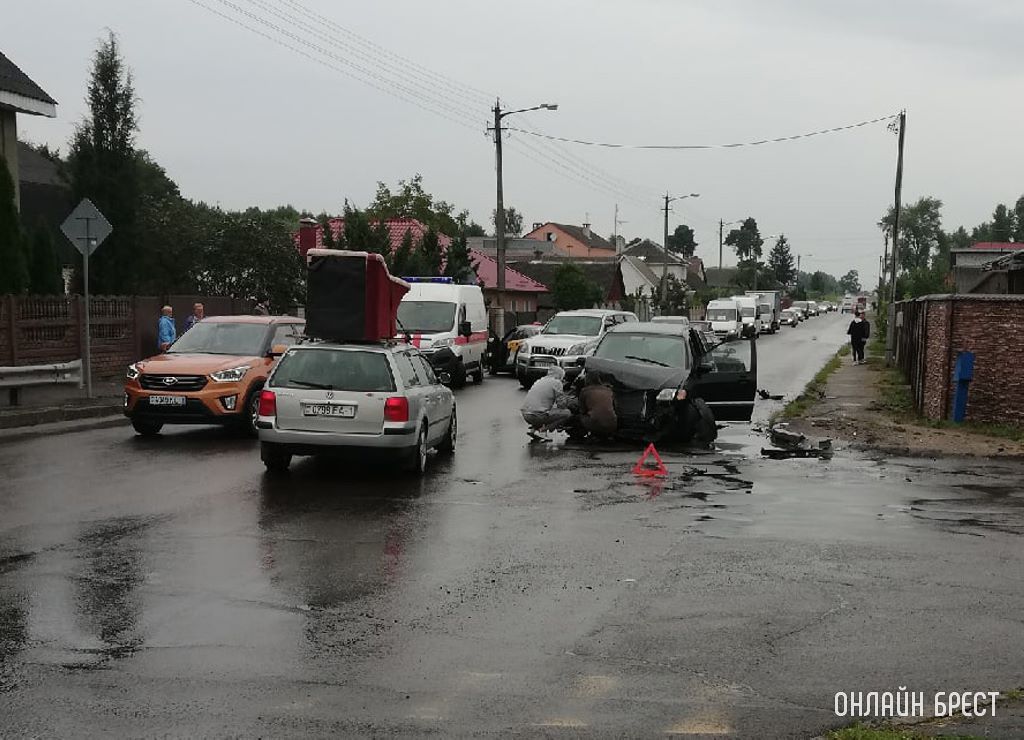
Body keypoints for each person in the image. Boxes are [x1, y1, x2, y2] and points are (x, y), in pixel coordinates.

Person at [520, 365, 573, 439]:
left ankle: (533, 430)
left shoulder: (540, 380)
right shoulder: (557, 382)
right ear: (560, 375)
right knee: (567, 413)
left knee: (543, 408)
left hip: (525, 414)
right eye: (562, 377)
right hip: (537, 415)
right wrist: (567, 398)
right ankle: (542, 431)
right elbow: (562, 405)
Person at [578, 372, 617, 439]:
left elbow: (582, 410)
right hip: (613, 423)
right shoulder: (608, 390)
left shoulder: (585, 391)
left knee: (577, 417)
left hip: (595, 423)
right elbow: (615, 406)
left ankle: (589, 432)